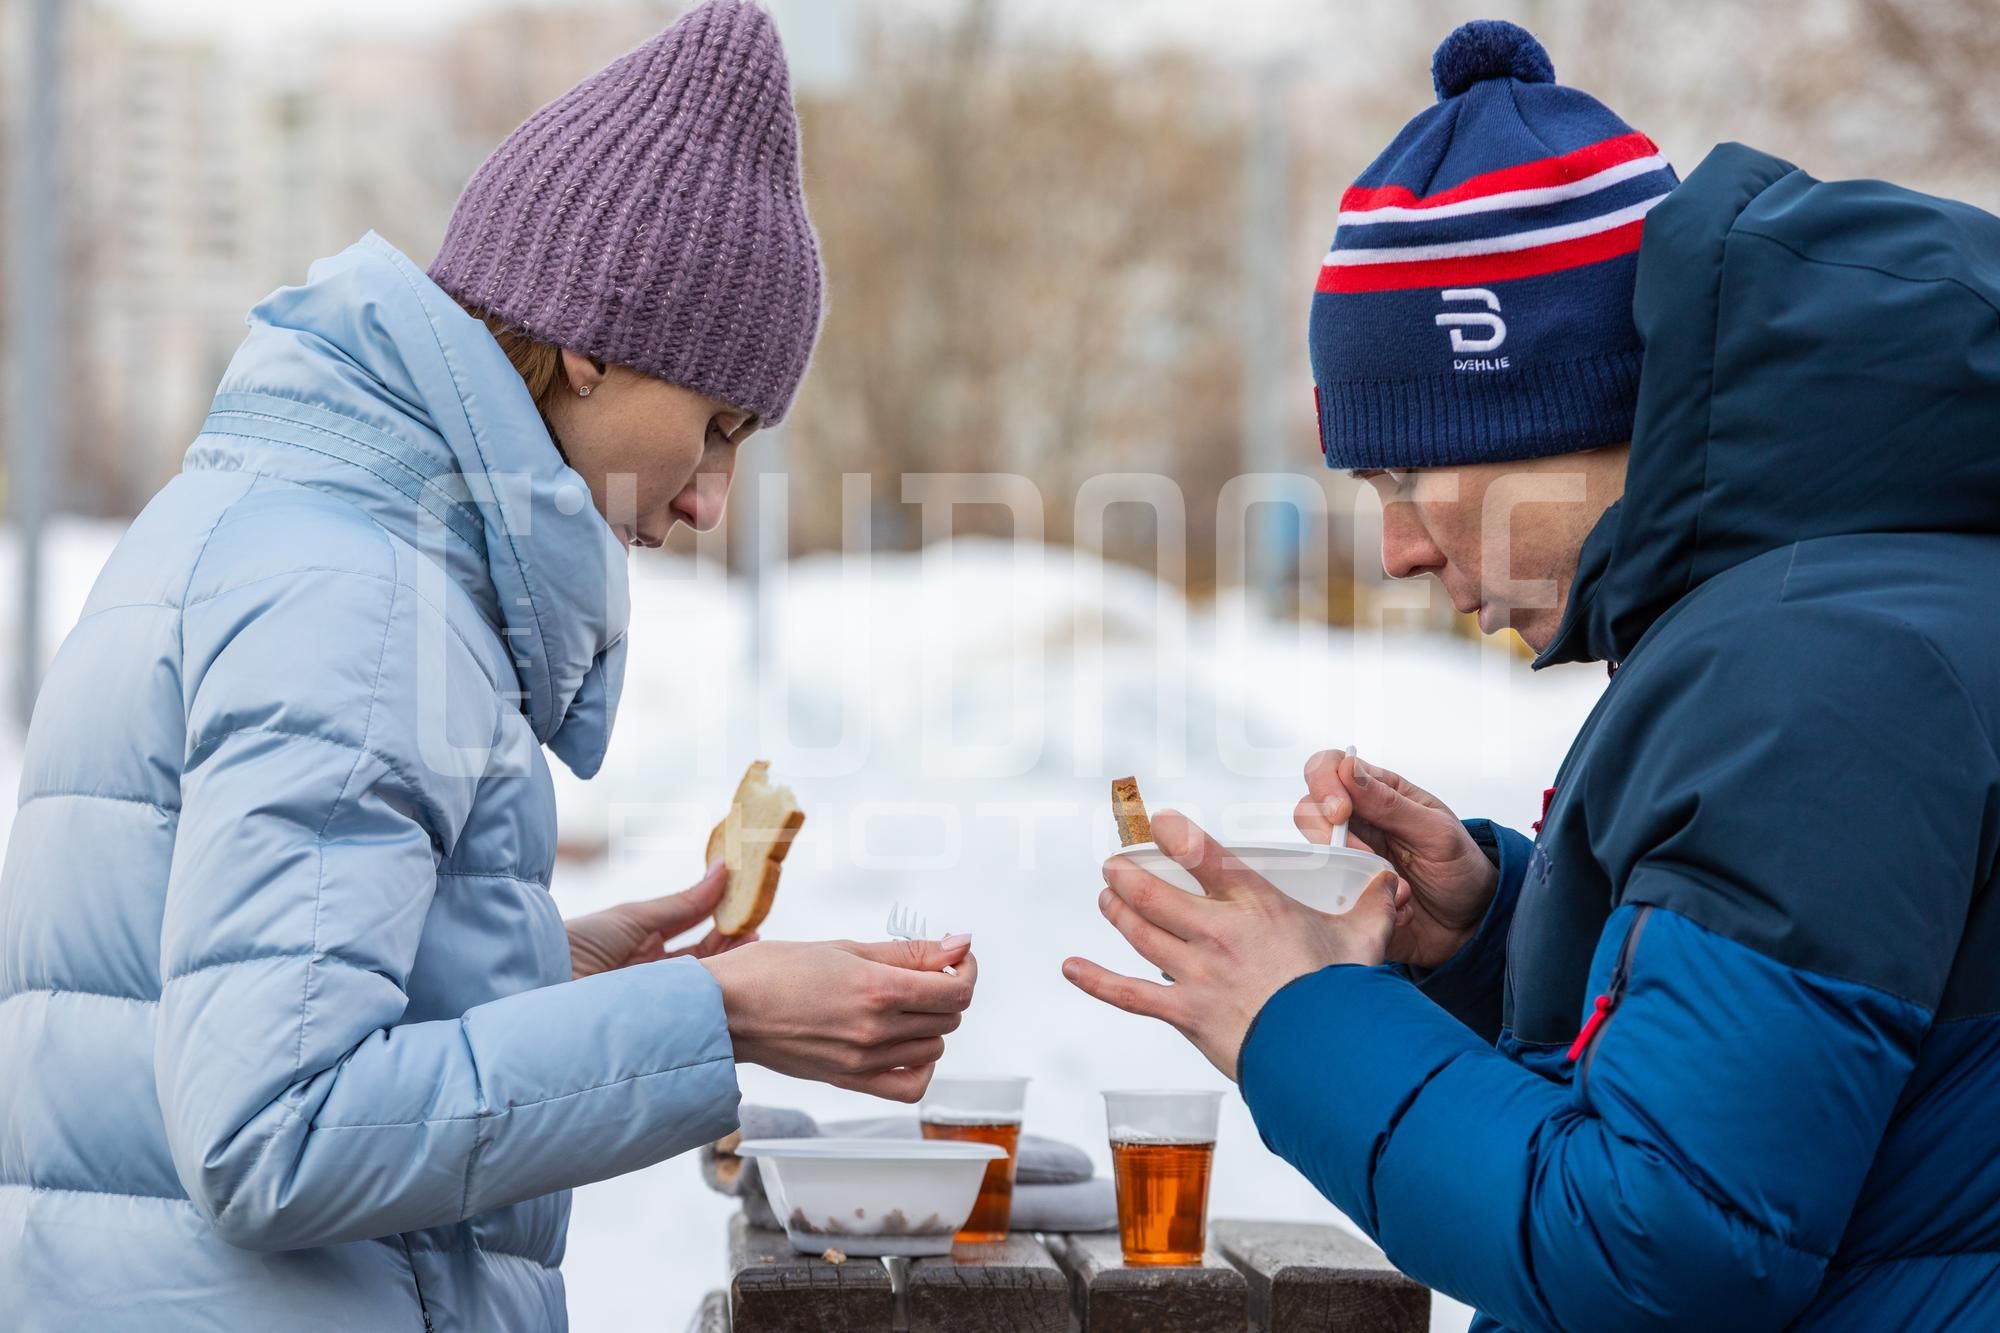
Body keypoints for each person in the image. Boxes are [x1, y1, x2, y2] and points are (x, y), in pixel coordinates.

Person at [0, 5, 975, 1329]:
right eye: (716, 425)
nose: (712, 501)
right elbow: (270, 1132)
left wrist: (532, 970)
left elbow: (207, 997)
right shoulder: (367, 598)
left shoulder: (296, 520)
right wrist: (711, 1011)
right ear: (589, 342)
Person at [1066, 19, 2000, 1331]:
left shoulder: (1810, 675)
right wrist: (1498, 928)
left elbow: (1661, 1247)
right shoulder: (1834, 609)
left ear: (1544, 408)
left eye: (1406, 478)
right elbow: (1808, 1094)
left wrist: (1299, 1019)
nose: (1395, 549)